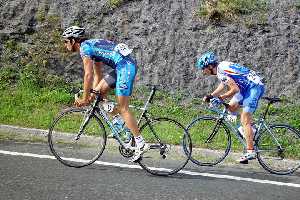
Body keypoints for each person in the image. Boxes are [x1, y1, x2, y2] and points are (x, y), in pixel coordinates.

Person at [62, 26, 148, 162]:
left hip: (125, 68)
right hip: (121, 66)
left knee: (123, 108)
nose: (65, 44)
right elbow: (97, 75)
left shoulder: (85, 49)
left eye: (66, 41)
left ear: (73, 41)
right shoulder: (91, 46)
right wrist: (92, 95)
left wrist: (84, 99)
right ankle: (119, 124)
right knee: (98, 93)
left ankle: (140, 142)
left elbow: (88, 75)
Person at [196, 52, 265, 164]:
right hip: (246, 88)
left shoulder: (221, 70)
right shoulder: (221, 67)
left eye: (203, 68)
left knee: (245, 118)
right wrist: (211, 95)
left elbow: (234, 90)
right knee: (231, 108)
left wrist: (220, 98)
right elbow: (223, 84)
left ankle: (250, 151)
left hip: (253, 88)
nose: (203, 71)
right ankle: (249, 130)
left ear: (209, 66)